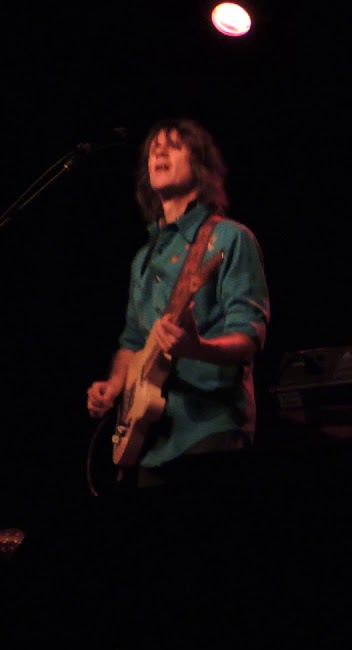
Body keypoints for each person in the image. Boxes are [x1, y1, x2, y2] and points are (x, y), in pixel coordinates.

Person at [86, 117, 270, 487]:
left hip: (209, 427)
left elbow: (249, 337)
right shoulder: (143, 258)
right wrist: (114, 384)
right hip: (151, 443)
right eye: (154, 146)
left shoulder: (229, 238)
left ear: (200, 164)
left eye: (174, 145)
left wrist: (195, 347)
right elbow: (133, 342)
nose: (159, 150)